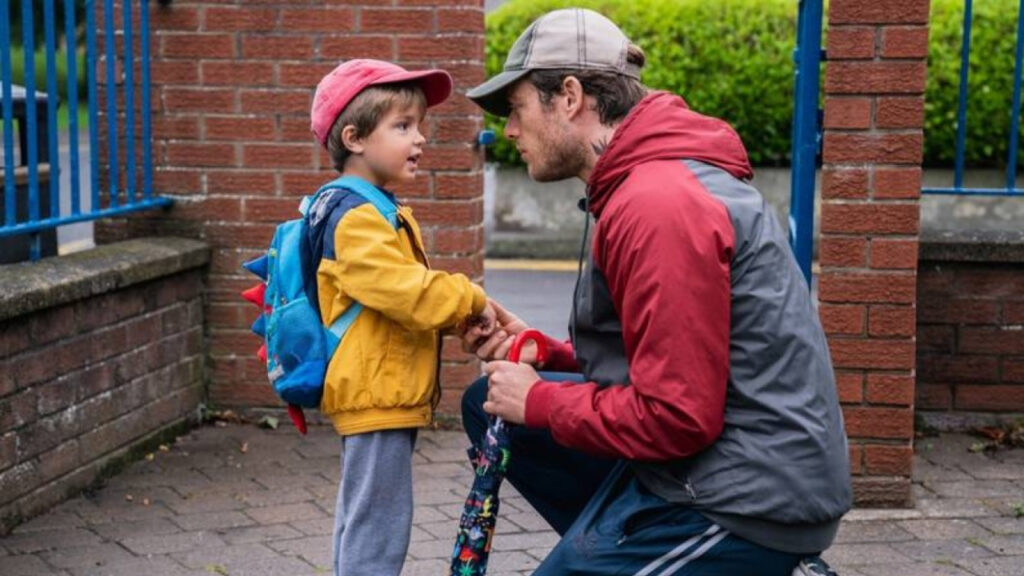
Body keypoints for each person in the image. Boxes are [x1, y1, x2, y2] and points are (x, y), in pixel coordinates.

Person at [459, 9, 851, 575]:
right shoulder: (644, 181)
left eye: (516, 108)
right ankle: (627, 550)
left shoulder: (658, 203)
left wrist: (540, 398)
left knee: (528, 409)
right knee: (488, 402)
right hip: (710, 461)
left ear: (569, 96)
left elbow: (677, 416)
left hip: (742, 499)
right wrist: (549, 355)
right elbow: (678, 358)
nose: (511, 130)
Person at [308, 59, 496, 576]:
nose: (420, 139)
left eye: (420, 127)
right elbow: (402, 290)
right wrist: (469, 298)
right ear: (355, 138)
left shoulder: (368, 208)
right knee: (380, 524)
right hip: (377, 392)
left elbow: (388, 303)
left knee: (364, 514)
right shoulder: (357, 217)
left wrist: (454, 320)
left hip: (381, 388)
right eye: (403, 126)